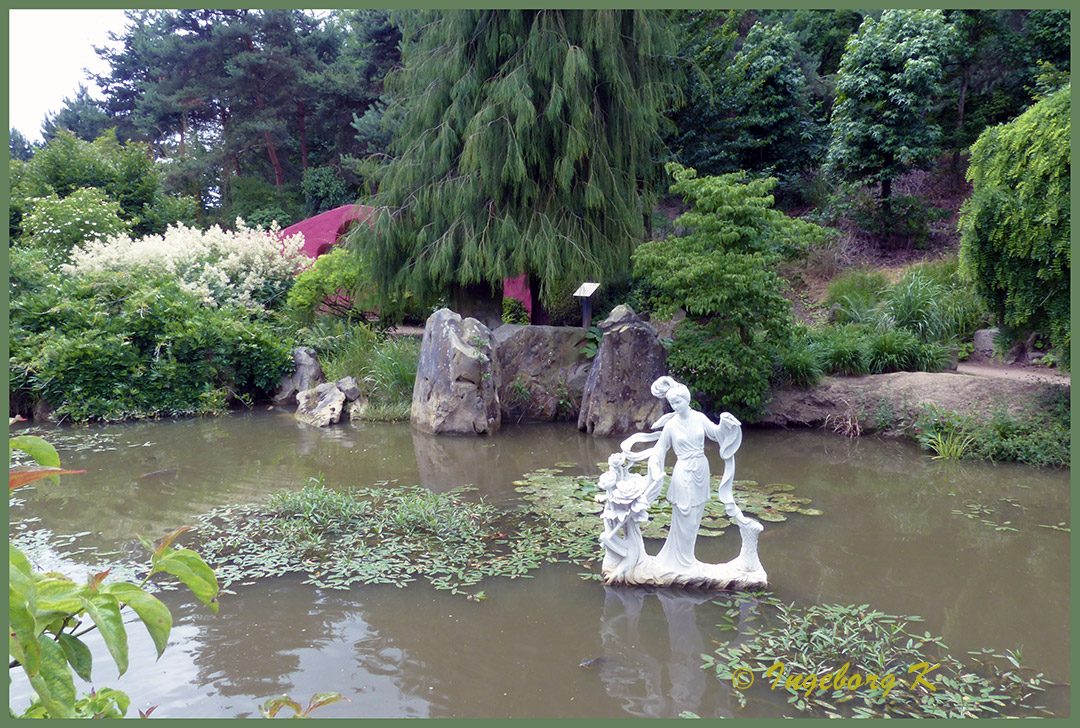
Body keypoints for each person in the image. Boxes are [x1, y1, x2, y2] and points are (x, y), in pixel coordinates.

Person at [643, 376, 746, 574]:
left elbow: (716, 434)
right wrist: (655, 465)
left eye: (678, 402)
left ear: (687, 399)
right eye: (672, 403)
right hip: (682, 470)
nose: (675, 406)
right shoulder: (671, 425)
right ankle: (679, 562)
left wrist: (726, 423)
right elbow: (661, 448)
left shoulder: (699, 417)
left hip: (701, 467)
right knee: (684, 512)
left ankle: (687, 559)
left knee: (696, 512)